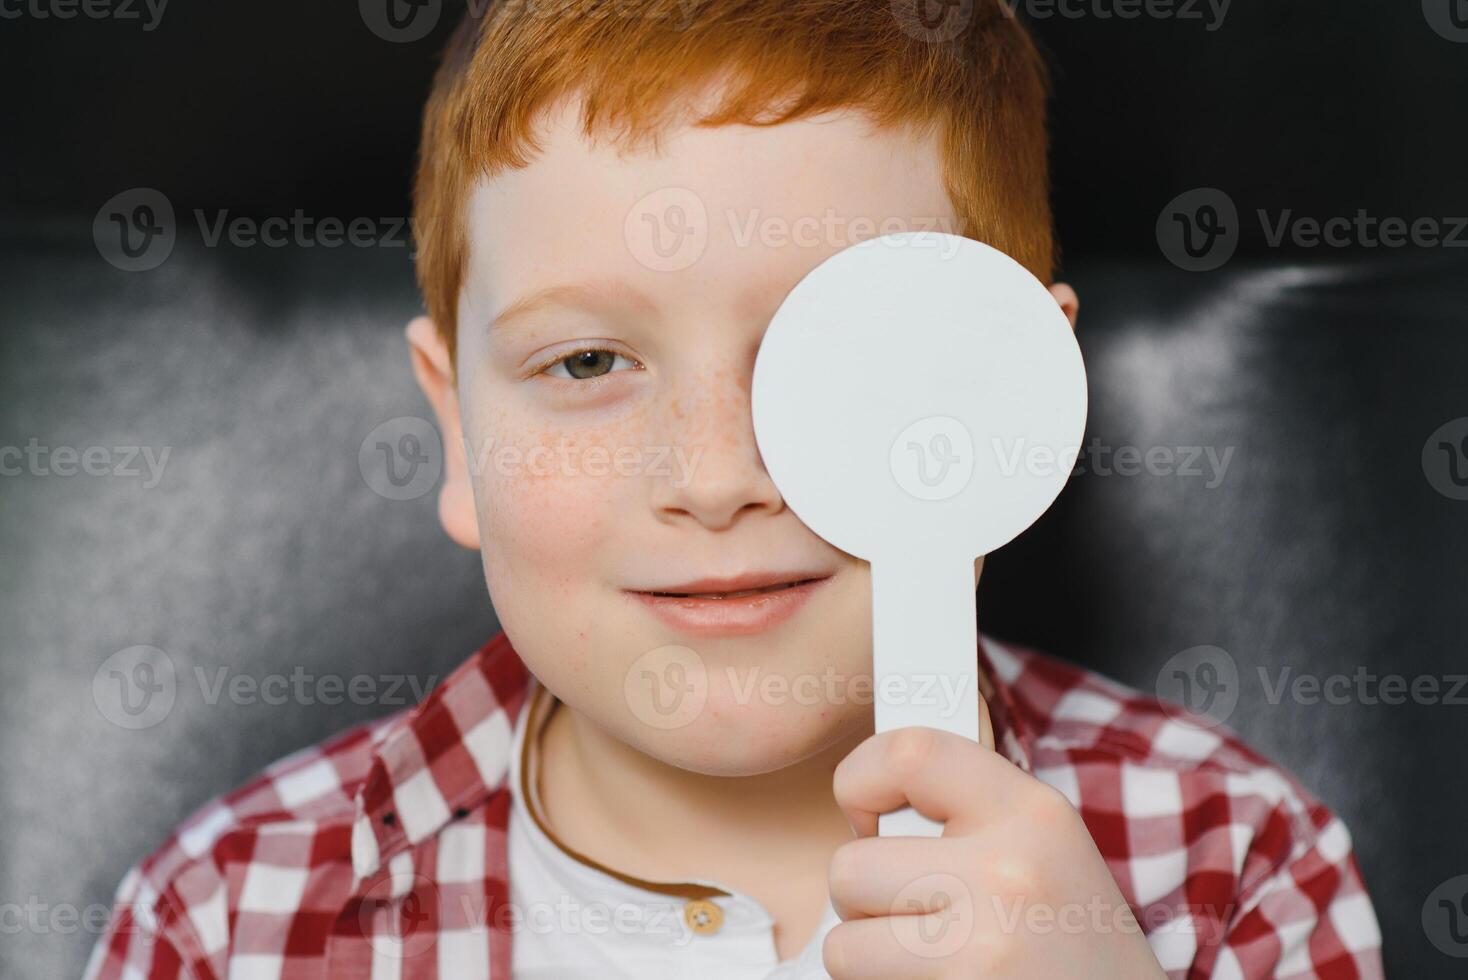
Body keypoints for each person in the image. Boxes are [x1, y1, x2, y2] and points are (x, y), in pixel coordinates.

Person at [84, 2, 1383, 976]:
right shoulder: (227, 920)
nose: (715, 478)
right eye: (587, 360)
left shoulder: (1236, 867)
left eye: (842, 358)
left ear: (1018, 394)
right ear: (459, 434)